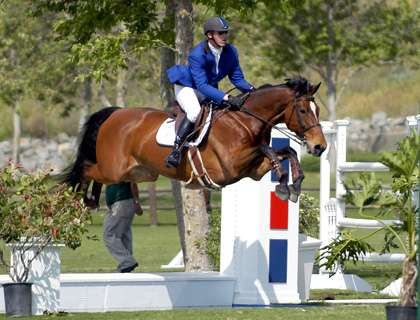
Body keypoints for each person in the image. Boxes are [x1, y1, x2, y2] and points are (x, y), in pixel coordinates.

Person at [165, 16, 254, 169]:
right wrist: (227, 97)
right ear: (210, 35)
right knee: (194, 111)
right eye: (220, 33)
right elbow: (202, 85)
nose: (224, 36)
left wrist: (254, 91)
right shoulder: (197, 54)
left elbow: (238, 78)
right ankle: (176, 150)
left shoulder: (231, 51)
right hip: (187, 86)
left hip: (207, 88)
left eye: (225, 33)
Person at [103, 182, 143, 273]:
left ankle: (127, 261)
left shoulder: (122, 168)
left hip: (120, 203)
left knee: (109, 235)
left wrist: (137, 202)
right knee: (124, 235)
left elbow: (133, 183)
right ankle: (124, 268)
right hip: (124, 203)